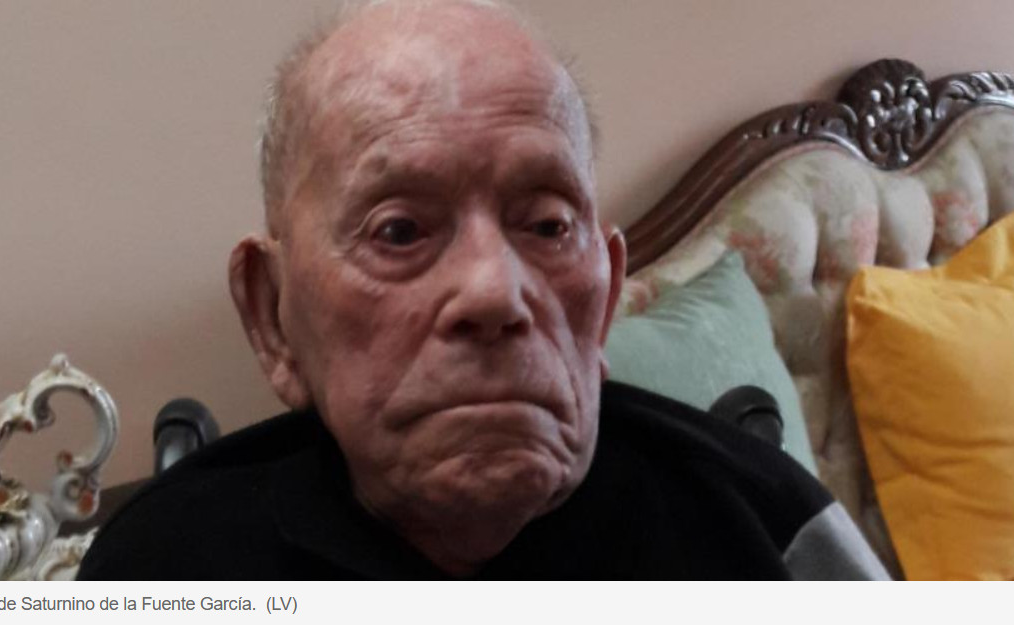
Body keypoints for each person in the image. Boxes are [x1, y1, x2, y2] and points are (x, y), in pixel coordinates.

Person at [79, 0, 887, 580]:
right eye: (399, 230)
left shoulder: (765, 531)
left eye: (546, 225)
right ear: (272, 316)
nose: (495, 292)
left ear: (605, 298)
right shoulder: (163, 569)